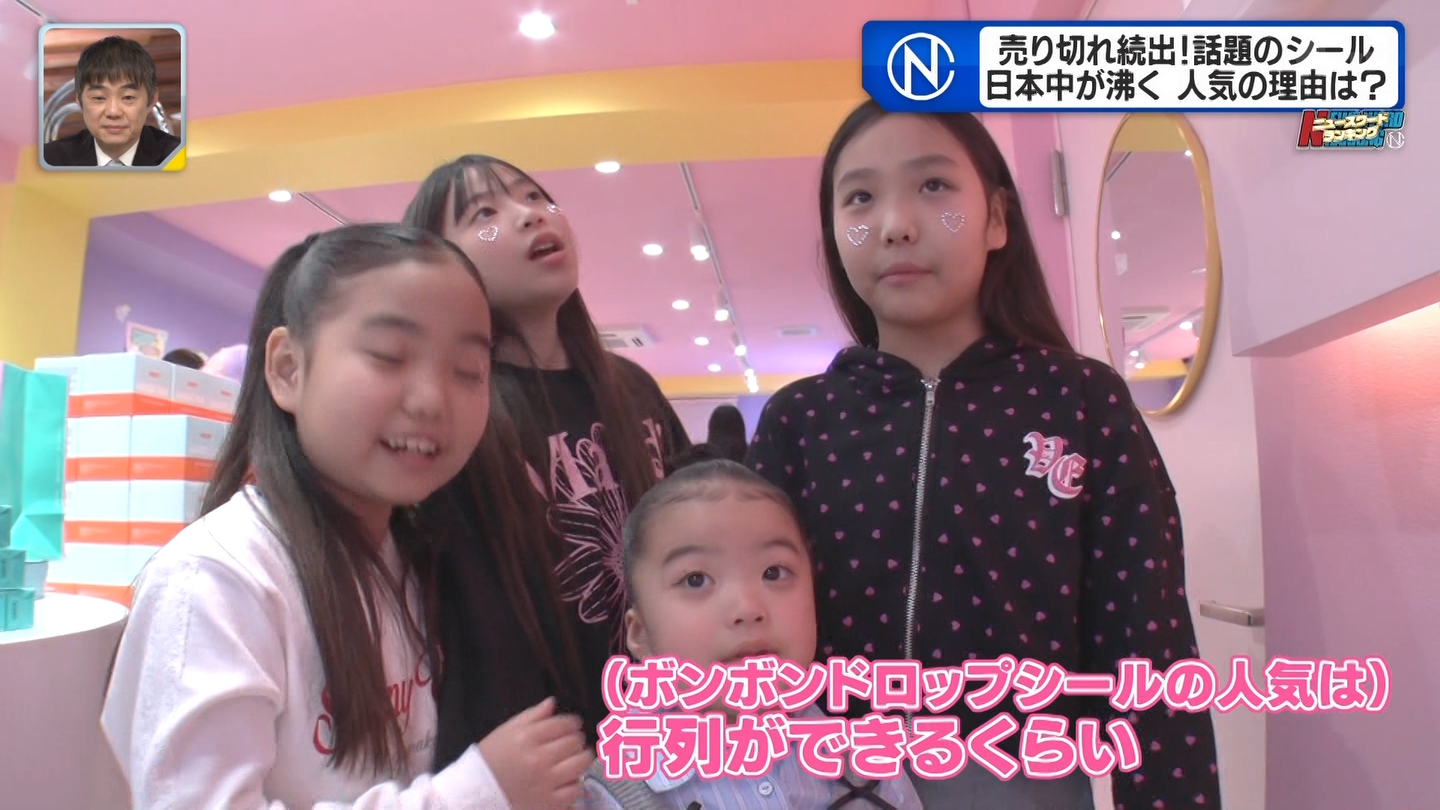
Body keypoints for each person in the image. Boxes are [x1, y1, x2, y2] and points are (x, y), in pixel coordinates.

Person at [747, 101, 1221, 809]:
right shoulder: (800, 421)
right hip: (827, 784)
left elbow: (1148, 649)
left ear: (997, 218)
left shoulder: (1081, 402)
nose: (895, 224)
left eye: (933, 186)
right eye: (860, 199)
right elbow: (742, 626)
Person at [101, 224, 591, 809]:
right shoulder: (217, 581)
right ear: (288, 369)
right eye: (389, 356)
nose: (432, 400)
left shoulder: (413, 558)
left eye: (468, 369)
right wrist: (477, 793)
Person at [404, 155, 691, 760]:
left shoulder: (633, 389)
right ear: (439, 263)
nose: (529, 215)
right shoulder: (455, 411)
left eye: (536, 197)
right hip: (539, 765)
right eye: (484, 214)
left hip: (670, 743)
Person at [582, 456, 923, 809]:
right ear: (640, 635)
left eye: (774, 572)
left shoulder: (865, 759)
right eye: (696, 579)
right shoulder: (613, 792)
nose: (747, 608)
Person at [42, 36, 182, 168]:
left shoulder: (178, 157)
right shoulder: (50, 159)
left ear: (151, 100)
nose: (113, 112)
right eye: (99, 98)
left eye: (128, 97)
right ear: (79, 101)